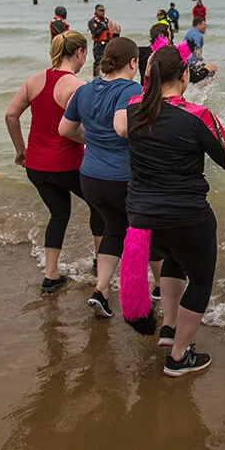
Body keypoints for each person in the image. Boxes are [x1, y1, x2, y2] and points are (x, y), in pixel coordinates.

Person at [120, 45, 225, 375]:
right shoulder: (198, 116)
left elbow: (120, 125)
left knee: (172, 257)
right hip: (187, 216)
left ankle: (169, 329)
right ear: (185, 75)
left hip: (141, 218)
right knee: (201, 280)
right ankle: (180, 356)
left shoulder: (133, 108)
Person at [57, 37, 153, 317]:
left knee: (113, 229)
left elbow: (65, 129)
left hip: (90, 177)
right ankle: (156, 289)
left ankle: (101, 290)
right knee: (144, 231)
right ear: (134, 62)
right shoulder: (133, 89)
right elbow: (127, 129)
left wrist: (95, 139)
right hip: (122, 178)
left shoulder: (84, 90)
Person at [4, 31, 104, 294]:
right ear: (80, 53)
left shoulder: (34, 80)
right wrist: (93, 141)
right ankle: (99, 262)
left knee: (58, 214)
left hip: (36, 165)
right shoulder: (77, 86)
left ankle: (51, 276)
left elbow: (11, 115)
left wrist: (20, 149)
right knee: (98, 206)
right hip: (67, 164)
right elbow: (72, 129)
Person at [184, 18, 217, 83]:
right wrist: (200, 59)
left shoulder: (190, 31)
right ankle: (200, 90)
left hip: (186, 60)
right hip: (193, 61)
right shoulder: (198, 34)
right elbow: (197, 47)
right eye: (204, 24)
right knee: (213, 72)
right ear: (198, 25)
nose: (205, 26)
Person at [87, 4, 119, 69]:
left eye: (104, 10)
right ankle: (96, 76)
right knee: (98, 61)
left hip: (107, 43)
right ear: (96, 11)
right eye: (101, 10)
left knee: (109, 60)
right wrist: (103, 27)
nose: (103, 12)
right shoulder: (92, 21)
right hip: (99, 45)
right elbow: (95, 33)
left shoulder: (106, 20)